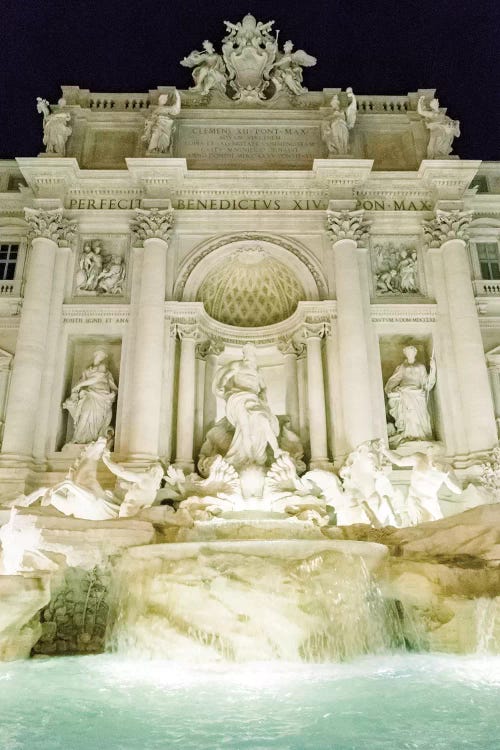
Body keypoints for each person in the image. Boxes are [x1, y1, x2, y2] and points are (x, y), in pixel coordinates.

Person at [214, 343, 282, 469]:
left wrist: (264, 398)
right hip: (238, 398)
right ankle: (249, 458)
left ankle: (276, 450)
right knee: (244, 427)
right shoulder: (238, 365)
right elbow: (226, 376)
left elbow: (263, 387)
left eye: (252, 353)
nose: (249, 356)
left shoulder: (257, 370)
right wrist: (221, 386)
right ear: (244, 354)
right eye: (247, 353)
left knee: (263, 420)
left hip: (253, 399)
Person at [380, 444, 462, 524]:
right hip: (415, 499)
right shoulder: (418, 458)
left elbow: (458, 491)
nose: (434, 458)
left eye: (438, 456)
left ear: (441, 456)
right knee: (422, 526)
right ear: (427, 453)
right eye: (431, 453)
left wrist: (446, 476)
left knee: (434, 528)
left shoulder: (445, 468)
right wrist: (384, 450)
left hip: (430, 502)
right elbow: (399, 461)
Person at [63, 349, 118, 444]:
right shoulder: (87, 370)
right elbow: (81, 381)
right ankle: (78, 438)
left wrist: (79, 385)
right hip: (89, 394)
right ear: (95, 355)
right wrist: (77, 389)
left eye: (102, 356)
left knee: (97, 418)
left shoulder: (103, 367)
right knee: (84, 414)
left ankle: (93, 440)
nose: (101, 358)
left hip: (102, 396)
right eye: (100, 355)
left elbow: (96, 379)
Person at [385, 345, 436, 446]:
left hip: (418, 395)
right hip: (405, 393)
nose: (410, 354)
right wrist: (389, 390)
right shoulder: (402, 367)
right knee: (408, 415)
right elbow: (394, 379)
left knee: (419, 417)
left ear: (415, 353)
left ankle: (421, 436)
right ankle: (408, 436)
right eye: (408, 352)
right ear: (405, 354)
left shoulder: (421, 367)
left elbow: (426, 384)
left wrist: (433, 369)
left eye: (411, 352)